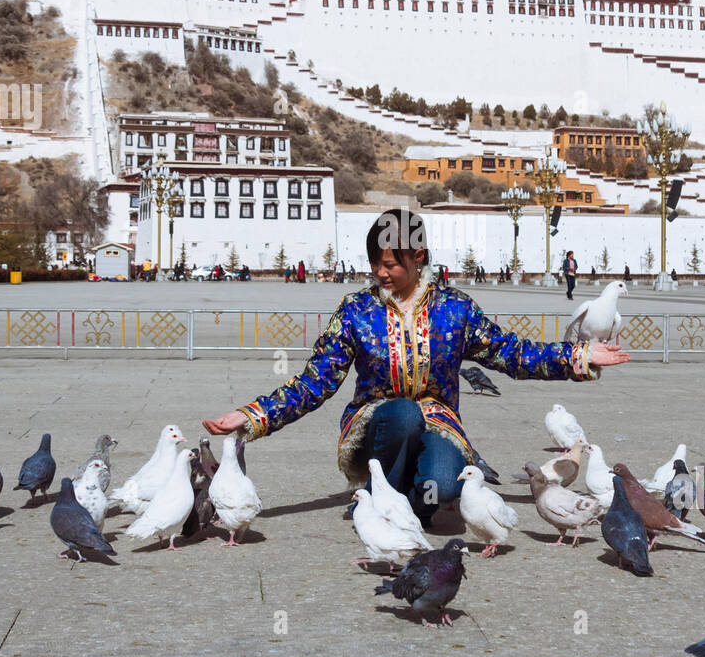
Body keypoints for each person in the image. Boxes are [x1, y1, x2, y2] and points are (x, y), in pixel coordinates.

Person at [201, 209, 630, 526]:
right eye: (374, 263)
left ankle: (404, 501)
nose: (379, 273)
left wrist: (577, 357)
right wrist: (252, 415)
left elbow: (512, 354)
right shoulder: (356, 310)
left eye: (389, 263)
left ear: (418, 256)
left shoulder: (455, 309)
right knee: (403, 412)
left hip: (438, 421)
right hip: (378, 422)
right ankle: (374, 492)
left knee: (444, 488)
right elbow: (314, 383)